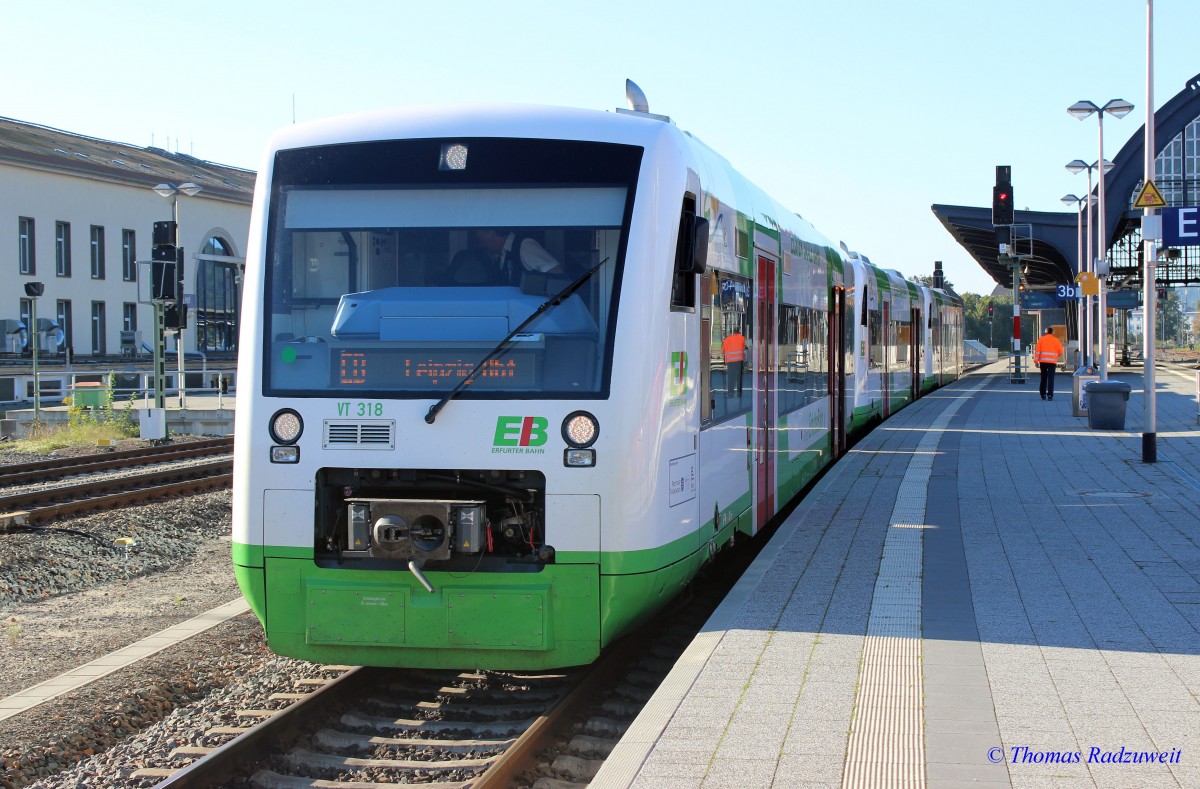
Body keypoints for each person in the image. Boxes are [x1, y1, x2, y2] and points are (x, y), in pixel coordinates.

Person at [473, 229, 563, 284]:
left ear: (492, 234)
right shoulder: (500, 255)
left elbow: (556, 271)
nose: (480, 245)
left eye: (480, 240)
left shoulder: (525, 246)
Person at [1034, 327, 1064, 400]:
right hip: (1052, 362)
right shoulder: (1056, 340)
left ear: (1045, 332)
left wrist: (1036, 361)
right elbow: (1061, 351)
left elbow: (1037, 351)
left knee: (1043, 378)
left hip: (1043, 362)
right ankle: (1050, 395)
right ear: (1052, 332)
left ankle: (1043, 394)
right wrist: (1056, 356)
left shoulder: (1041, 339)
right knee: (1051, 378)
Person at [722, 330, 746, 396]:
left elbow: (723, 349)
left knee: (731, 377)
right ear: (739, 332)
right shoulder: (742, 338)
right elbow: (744, 348)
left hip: (730, 362)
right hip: (739, 360)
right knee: (739, 377)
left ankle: (730, 393)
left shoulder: (727, 339)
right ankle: (739, 392)